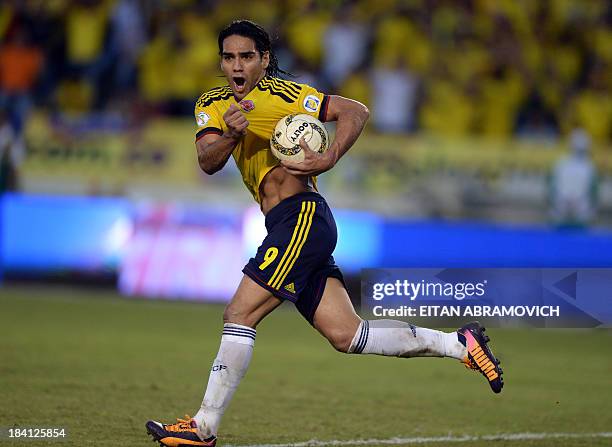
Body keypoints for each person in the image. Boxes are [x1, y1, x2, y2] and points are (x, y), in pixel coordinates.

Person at [146, 20, 503, 447]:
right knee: (348, 335)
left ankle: (203, 428)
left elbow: (356, 111)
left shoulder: (286, 95)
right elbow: (207, 160)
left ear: (263, 60)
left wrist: (329, 156)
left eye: (246, 56)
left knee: (239, 315)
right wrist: (229, 134)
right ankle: (458, 344)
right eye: (228, 57)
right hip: (289, 224)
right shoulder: (213, 103)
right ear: (221, 62)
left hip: (302, 218)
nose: (236, 65)